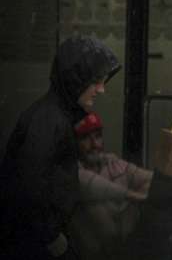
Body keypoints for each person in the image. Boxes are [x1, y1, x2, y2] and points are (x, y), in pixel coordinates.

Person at [0, 35, 120, 260]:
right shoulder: (49, 121)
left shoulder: (55, 116)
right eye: (95, 81)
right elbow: (29, 187)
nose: (101, 89)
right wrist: (51, 237)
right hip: (32, 241)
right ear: (75, 80)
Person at [69, 112, 152, 259]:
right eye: (85, 138)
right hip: (90, 255)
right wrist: (134, 196)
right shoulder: (71, 172)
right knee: (96, 207)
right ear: (74, 143)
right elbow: (90, 184)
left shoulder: (111, 163)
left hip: (124, 250)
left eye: (98, 136)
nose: (94, 144)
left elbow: (147, 178)